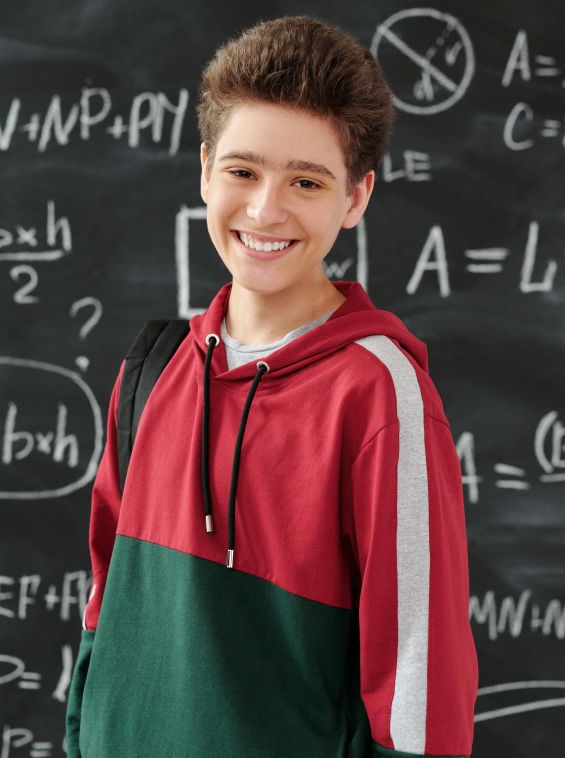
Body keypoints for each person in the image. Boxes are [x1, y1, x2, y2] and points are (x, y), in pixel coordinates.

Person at [66, 15, 477, 758]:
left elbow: (422, 676)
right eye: (243, 171)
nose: (265, 211)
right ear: (204, 171)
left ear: (355, 199)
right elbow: (104, 602)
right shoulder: (151, 369)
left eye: (307, 181)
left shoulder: (380, 396)